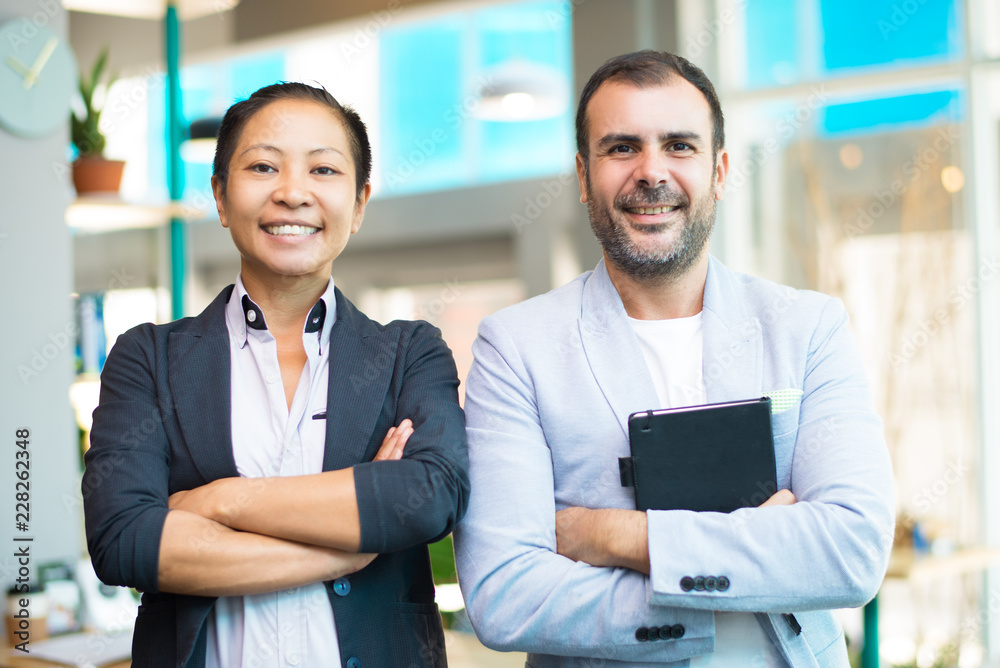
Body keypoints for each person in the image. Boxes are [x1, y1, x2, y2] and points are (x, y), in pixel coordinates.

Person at [453, 50, 894, 667]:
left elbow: (853, 551)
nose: (651, 172)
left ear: (719, 171)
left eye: (680, 146)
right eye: (621, 147)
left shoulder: (808, 327)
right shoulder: (516, 347)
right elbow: (505, 596)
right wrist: (757, 559)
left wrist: (614, 535)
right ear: (583, 176)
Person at [83, 82, 468, 668]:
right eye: (263, 166)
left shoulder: (409, 352)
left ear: (359, 204)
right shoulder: (148, 358)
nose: (292, 193)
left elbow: (427, 496)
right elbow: (125, 543)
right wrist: (346, 550)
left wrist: (222, 502)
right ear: (219, 195)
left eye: (323, 170)